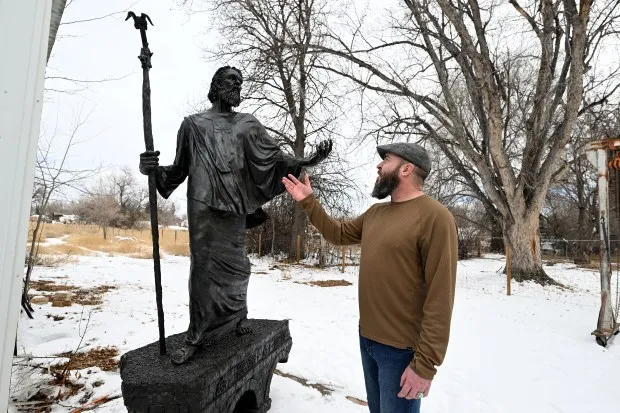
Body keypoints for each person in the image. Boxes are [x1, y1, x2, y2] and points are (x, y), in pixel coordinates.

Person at [139, 66, 332, 365]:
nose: (237, 86)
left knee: (237, 265)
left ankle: (235, 317)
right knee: (203, 269)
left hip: (234, 205)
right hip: (202, 203)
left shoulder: (247, 124)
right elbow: (178, 171)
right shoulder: (192, 125)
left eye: (240, 82)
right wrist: (152, 170)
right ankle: (197, 334)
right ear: (216, 85)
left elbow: (275, 158)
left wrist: (309, 160)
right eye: (232, 81)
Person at [282, 142, 458, 413]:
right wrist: (308, 201)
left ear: (407, 169)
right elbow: (338, 233)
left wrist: (424, 366)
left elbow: (440, 297)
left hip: (402, 352)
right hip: (368, 341)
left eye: (386, 159)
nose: (378, 165)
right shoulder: (376, 214)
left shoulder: (436, 218)